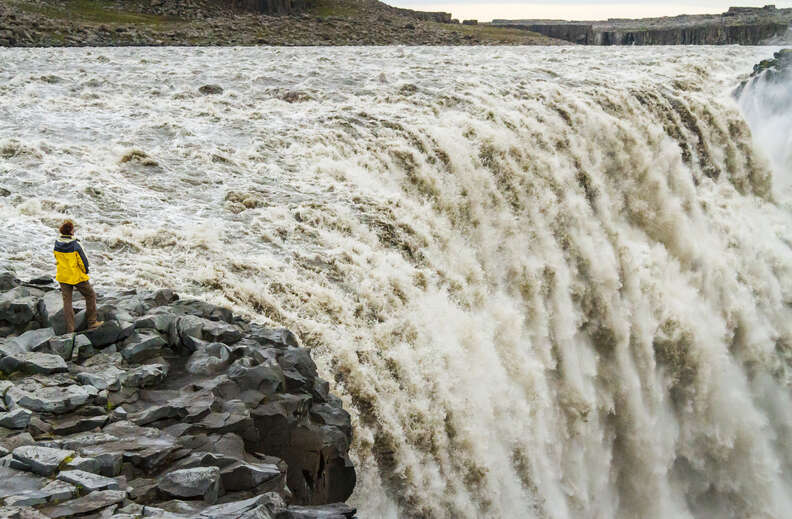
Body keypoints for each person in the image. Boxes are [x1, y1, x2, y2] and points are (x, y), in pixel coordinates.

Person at [54, 220, 103, 333]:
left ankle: (70, 329)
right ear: (71, 231)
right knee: (90, 295)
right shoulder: (75, 244)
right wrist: (85, 271)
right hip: (76, 276)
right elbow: (83, 262)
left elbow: (56, 257)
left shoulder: (57, 243)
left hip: (63, 276)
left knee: (67, 302)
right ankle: (92, 322)